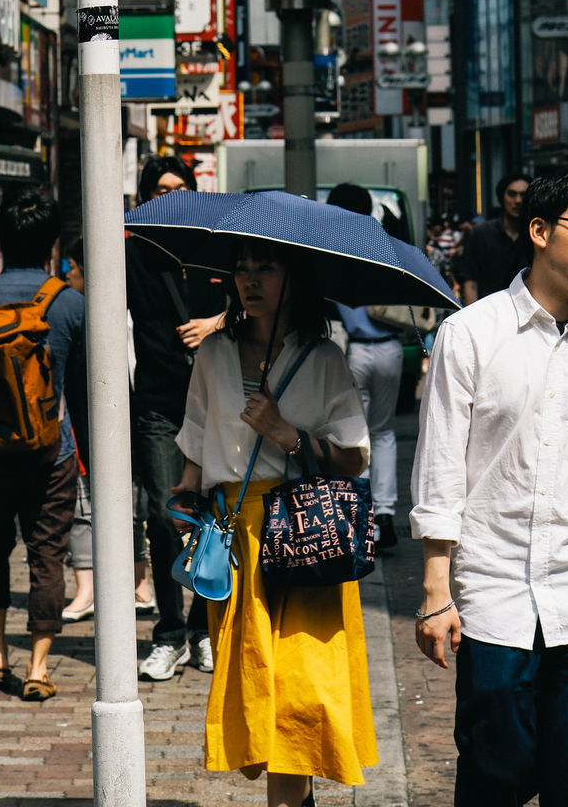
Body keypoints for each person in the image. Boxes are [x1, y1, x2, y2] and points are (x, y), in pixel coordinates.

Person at [411, 166, 568, 806]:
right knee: (496, 783)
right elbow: (440, 473)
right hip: (494, 600)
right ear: (540, 231)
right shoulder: (469, 334)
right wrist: (436, 591)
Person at [173, 238, 377, 807]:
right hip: (232, 533)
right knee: (258, 680)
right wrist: (186, 494)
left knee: (301, 686)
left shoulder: (322, 356)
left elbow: (354, 455)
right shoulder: (213, 352)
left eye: (265, 268)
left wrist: (284, 431)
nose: (250, 280)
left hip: (303, 530)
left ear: (294, 280)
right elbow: (195, 431)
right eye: (241, 270)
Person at [0, 189, 85, 702]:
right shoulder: (69, 302)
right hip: (53, 450)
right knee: (47, 553)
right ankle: (37, 668)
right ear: (51, 240)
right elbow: (82, 386)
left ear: (1, 238)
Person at [127, 154, 226, 680]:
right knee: (166, 519)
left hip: (216, 403)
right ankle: (167, 634)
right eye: (159, 189)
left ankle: (202, 627)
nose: (169, 197)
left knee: (213, 517)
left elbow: (256, 303)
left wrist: (217, 322)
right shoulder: (130, 254)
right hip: (159, 403)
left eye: (178, 187)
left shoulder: (216, 248)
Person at [326, 183, 402, 553]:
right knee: (385, 432)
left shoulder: (334, 247)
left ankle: (366, 515)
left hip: (355, 350)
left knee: (361, 433)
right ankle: (386, 513)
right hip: (391, 348)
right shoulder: (383, 244)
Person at [60, 237, 94, 623]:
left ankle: (137, 583)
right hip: (79, 423)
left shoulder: (86, 312)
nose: (69, 277)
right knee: (82, 506)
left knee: (125, 509)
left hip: (104, 423)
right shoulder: (75, 310)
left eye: (72, 271)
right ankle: (86, 589)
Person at [460, 172, 532, 303]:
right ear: (502, 198)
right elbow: (470, 283)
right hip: (488, 310)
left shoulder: (537, 236)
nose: (518, 200)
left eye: (523, 195)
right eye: (512, 194)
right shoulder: (480, 233)